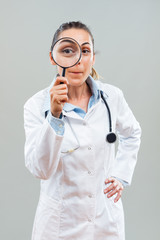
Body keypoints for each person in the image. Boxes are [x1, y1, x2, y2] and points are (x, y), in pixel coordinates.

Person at [24, 21, 141, 240]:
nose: (77, 59)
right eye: (67, 50)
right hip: (59, 226)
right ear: (52, 57)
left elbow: (133, 133)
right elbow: (41, 170)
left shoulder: (112, 97)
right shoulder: (35, 105)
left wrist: (121, 175)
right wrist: (55, 116)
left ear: (92, 58)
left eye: (85, 51)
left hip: (105, 222)